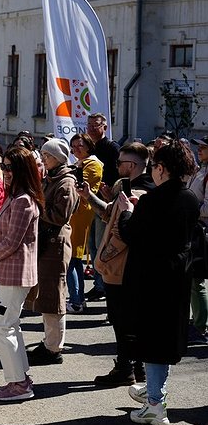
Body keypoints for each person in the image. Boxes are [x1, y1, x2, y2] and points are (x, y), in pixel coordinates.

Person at [117, 139, 199, 425]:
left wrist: (128, 211)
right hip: (177, 275)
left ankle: (155, 403)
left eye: (153, 166)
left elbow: (132, 233)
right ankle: (155, 391)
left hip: (151, 277)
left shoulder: (153, 201)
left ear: (162, 169)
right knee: (165, 338)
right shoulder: (190, 198)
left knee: (151, 339)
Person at [76, 142, 152, 386]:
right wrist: (90, 196)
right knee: (125, 317)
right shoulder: (122, 185)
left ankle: (126, 367)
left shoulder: (144, 192)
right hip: (119, 263)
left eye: (119, 163)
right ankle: (136, 366)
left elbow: (124, 231)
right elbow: (108, 213)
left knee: (124, 318)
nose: (115, 166)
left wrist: (105, 256)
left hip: (125, 263)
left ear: (132, 165)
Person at [0, 147, 43, 402]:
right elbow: (5, 237)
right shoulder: (15, 197)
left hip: (15, 273)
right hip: (8, 272)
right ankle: (20, 379)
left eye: (11, 167)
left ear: (23, 170)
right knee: (9, 324)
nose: (6, 171)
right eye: (4, 166)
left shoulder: (24, 200)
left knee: (2, 325)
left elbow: (13, 242)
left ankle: (19, 383)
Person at [26, 138, 79, 366]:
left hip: (55, 243)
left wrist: (38, 207)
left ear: (58, 158)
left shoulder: (66, 182)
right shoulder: (54, 178)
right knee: (47, 295)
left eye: (47, 156)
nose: (43, 159)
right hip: (48, 242)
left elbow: (60, 216)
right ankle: (50, 342)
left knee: (54, 296)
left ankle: (53, 348)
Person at [84, 113, 120, 303]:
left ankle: (102, 286)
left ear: (104, 127)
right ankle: (98, 285)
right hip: (89, 201)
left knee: (100, 244)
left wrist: (111, 192)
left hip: (104, 203)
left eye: (95, 126)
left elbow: (118, 173)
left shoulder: (112, 148)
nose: (91, 129)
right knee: (91, 245)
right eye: (88, 125)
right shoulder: (88, 147)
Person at [66, 134, 103, 313]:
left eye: (79, 145)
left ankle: (76, 300)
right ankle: (77, 298)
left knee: (72, 258)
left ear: (89, 146)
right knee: (72, 258)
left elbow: (81, 187)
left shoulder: (93, 164)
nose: (76, 149)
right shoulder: (79, 163)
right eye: (73, 146)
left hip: (80, 212)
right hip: (75, 212)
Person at [187, 136, 208, 344]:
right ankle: (198, 322)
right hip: (195, 229)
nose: (199, 149)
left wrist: (189, 209)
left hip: (203, 232)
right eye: (199, 147)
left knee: (198, 280)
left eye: (204, 147)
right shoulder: (200, 170)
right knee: (195, 280)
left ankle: (201, 326)